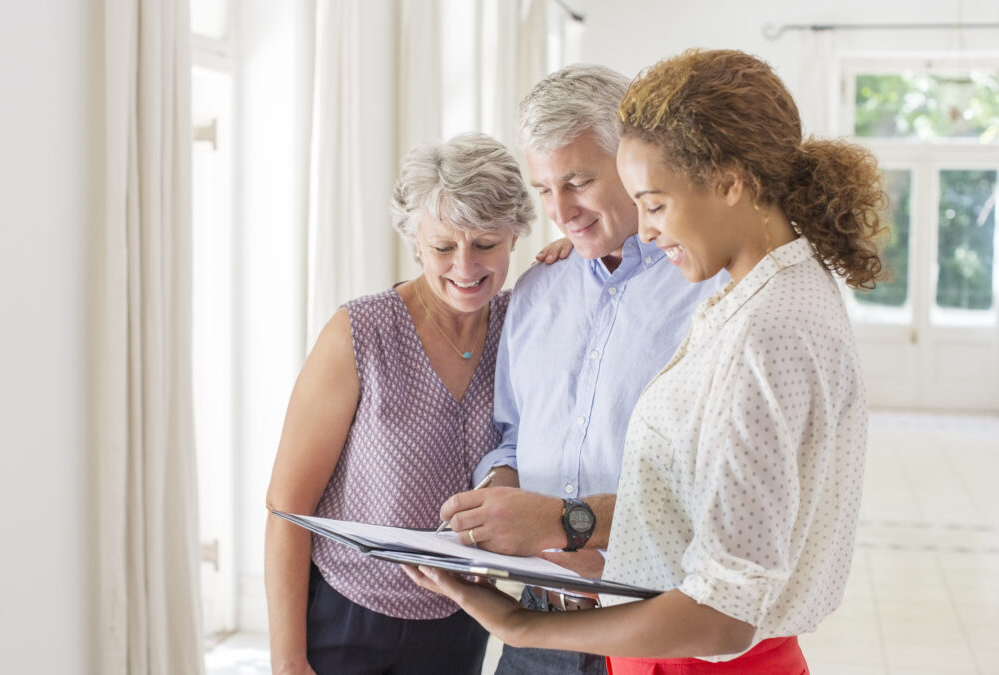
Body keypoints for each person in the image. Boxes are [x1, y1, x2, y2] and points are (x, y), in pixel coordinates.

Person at [405, 48, 887, 673]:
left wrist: (526, 606)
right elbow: (694, 501)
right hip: (614, 633)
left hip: (673, 640)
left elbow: (723, 607)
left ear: (728, 183)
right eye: (545, 189)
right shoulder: (754, 294)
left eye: (652, 201)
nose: (649, 232)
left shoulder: (753, 316)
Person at [437, 64, 726, 675]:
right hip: (539, 621)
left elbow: (717, 480)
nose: (561, 210)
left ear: (633, 160)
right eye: (544, 190)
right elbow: (513, 433)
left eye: (577, 181)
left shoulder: (709, 291)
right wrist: (495, 499)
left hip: (655, 619)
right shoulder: (536, 291)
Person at [263, 132, 535, 675]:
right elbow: (287, 510)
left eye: (486, 244)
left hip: (463, 618)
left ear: (515, 235)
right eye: (443, 247)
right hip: (345, 618)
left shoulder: (525, 325)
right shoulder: (360, 331)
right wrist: (288, 660)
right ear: (414, 240)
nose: (465, 266)